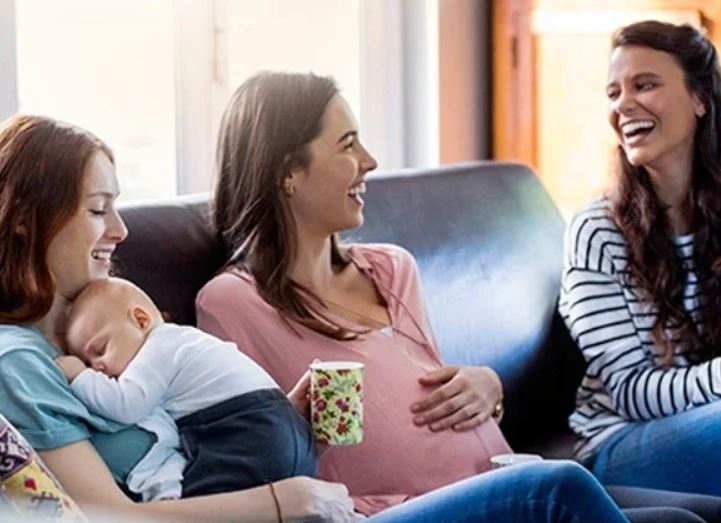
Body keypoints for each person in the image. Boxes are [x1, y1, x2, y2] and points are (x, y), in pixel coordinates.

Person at [193, 70, 708, 523]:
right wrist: (296, 428)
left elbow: (424, 387)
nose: (369, 161)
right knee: (559, 487)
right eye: (347, 145)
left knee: (686, 518)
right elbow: (249, 463)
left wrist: (488, 386)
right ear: (288, 170)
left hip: (495, 480)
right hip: (392, 509)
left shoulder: (390, 268)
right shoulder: (233, 303)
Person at [0, 114, 358, 523]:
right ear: (23, 219)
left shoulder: (99, 333)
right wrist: (284, 501)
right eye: (98, 209)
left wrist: (269, 425)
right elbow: (111, 516)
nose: (120, 230)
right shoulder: (18, 364)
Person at [559, 20, 721, 496]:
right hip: (618, 445)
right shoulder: (597, 231)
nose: (623, 105)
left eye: (644, 85)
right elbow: (632, 393)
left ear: (700, 99)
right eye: (614, 93)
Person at [56, 277, 317, 501]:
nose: (97, 367)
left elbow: (126, 406)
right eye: (88, 363)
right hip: (286, 431)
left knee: (196, 501)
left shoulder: (157, 347)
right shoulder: (185, 341)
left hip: (246, 434)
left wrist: (80, 376)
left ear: (140, 320)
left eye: (100, 350)